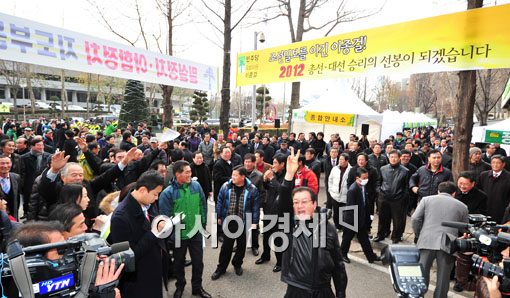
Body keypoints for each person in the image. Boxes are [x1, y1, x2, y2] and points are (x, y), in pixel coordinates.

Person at [278, 147, 348, 298]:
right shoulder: (290, 223)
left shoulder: (328, 228)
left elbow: (338, 264)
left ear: (314, 204)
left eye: (304, 201)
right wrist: (289, 174)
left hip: (323, 290)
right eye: (296, 202)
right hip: (296, 289)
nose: (299, 206)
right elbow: (283, 202)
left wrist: (341, 292)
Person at [109, 170, 167, 298]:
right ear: (142, 190)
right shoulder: (120, 217)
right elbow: (127, 257)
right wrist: (154, 233)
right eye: (155, 194)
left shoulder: (148, 203)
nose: (156, 198)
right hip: (139, 280)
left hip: (154, 269)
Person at [159, 161, 211, 298]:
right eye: (187, 172)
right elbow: (165, 218)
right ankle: (180, 286)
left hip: (195, 232)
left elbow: (202, 204)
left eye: (190, 171)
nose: (190, 174)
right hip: (178, 236)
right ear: (177, 174)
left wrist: (203, 223)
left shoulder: (196, 186)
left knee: (198, 263)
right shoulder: (167, 193)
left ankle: (197, 287)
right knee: (178, 264)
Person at [411, 181, 469, 298]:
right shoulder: (462, 206)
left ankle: (418, 295)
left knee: (422, 272)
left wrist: (419, 234)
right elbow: (465, 228)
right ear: (453, 193)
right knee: (443, 277)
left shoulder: (426, 200)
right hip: (449, 243)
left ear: (438, 191)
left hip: (427, 240)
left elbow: (415, 218)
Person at [211, 166, 259, 280]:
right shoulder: (226, 186)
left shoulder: (252, 189)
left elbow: (255, 207)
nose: (232, 177)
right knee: (226, 247)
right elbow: (220, 202)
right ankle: (221, 268)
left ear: (243, 177)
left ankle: (237, 264)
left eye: (235, 175)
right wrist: (218, 216)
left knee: (241, 246)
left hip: (244, 222)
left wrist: (255, 222)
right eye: (232, 175)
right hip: (229, 221)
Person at [340, 167, 381, 263]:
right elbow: (351, 208)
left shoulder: (363, 187)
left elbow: (365, 204)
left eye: (367, 178)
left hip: (360, 219)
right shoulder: (353, 190)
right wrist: (355, 223)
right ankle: (343, 254)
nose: (366, 180)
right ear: (357, 178)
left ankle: (371, 257)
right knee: (347, 239)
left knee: (364, 240)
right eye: (363, 178)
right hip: (351, 220)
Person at [255, 153, 286, 272]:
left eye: (275, 163)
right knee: (266, 234)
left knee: (278, 237)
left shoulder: (287, 176)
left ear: (282, 164)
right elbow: (267, 188)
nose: (273, 165)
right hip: (269, 208)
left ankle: (280, 261)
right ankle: (265, 255)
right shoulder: (274, 173)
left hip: (280, 211)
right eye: (273, 162)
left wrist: (272, 179)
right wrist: (265, 180)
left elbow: (282, 190)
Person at [373, 149, 409, 244]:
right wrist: (379, 192)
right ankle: (380, 234)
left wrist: (402, 197)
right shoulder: (383, 169)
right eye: (391, 157)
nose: (393, 159)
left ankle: (395, 237)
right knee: (382, 218)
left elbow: (406, 187)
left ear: (399, 158)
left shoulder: (405, 171)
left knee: (397, 220)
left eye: (395, 157)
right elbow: (378, 182)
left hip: (397, 199)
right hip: (383, 197)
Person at [21, 138, 51, 217]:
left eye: (42, 145)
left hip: (43, 182)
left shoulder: (48, 156)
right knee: (28, 199)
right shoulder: (24, 157)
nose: (41, 147)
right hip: (29, 182)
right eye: (38, 145)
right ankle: (26, 214)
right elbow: (23, 172)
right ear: (32, 146)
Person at [478, 155, 510, 223]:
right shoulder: (484, 175)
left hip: (501, 211)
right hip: (484, 210)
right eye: (493, 162)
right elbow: (478, 191)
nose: (495, 165)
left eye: (498, 163)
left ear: (503, 164)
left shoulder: (508, 177)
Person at [328, 153, 352, 230]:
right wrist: (331, 190)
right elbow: (330, 180)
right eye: (340, 159)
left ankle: (344, 227)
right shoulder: (335, 169)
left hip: (345, 196)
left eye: (342, 159)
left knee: (345, 214)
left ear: (347, 161)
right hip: (335, 195)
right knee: (336, 213)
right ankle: (337, 226)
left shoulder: (351, 170)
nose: (340, 161)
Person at [0, 154, 21, 220]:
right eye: (2, 163)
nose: (5, 166)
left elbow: (17, 198)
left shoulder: (16, 177)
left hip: (12, 217)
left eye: (8, 163)